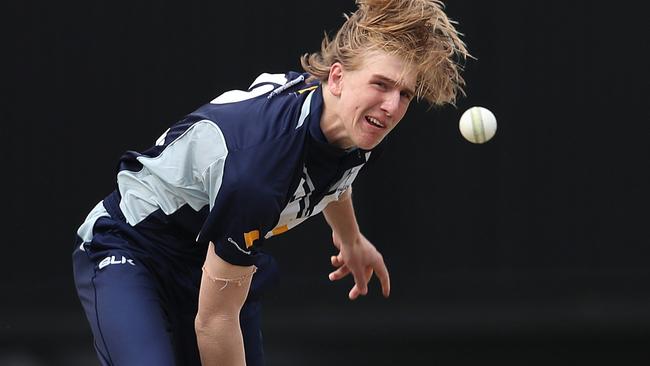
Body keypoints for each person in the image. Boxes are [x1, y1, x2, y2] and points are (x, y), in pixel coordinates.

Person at [72, 0, 469, 365]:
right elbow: (214, 322)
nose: (392, 106)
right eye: (380, 84)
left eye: (404, 94)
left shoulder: (355, 124)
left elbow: (334, 178)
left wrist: (350, 239)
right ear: (336, 77)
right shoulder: (259, 173)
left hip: (211, 255)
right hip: (133, 248)